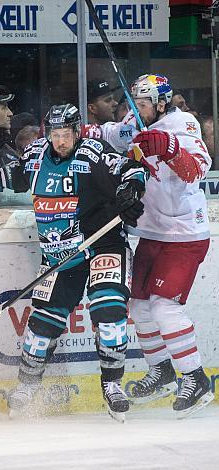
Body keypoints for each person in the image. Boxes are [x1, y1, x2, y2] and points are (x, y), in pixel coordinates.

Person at [9, 103, 148, 421]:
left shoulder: (93, 152)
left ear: (77, 131)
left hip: (103, 244)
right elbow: (11, 177)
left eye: (66, 134)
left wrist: (129, 193)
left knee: (109, 310)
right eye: (54, 135)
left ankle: (112, 385)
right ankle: (27, 387)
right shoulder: (34, 155)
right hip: (60, 254)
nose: (60, 141)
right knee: (44, 321)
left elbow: (134, 171)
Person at [99, 74, 214, 417]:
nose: (136, 109)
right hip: (150, 232)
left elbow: (197, 169)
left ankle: (195, 379)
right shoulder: (133, 121)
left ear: (162, 103)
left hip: (184, 234)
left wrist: (168, 146)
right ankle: (161, 371)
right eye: (134, 102)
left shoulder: (183, 123)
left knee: (165, 308)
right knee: (138, 306)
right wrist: (77, 129)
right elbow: (106, 136)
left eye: (144, 103)